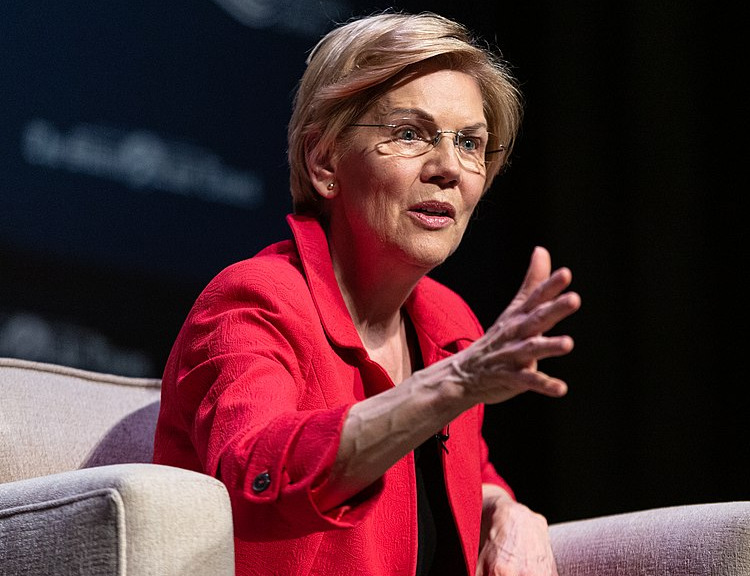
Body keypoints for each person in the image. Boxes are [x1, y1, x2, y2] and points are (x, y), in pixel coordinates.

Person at [153, 11, 580, 576]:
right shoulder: (254, 300)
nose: (449, 167)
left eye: (470, 143)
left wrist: (507, 510)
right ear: (325, 161)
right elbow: (251, 476)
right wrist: (454, 383)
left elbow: (465, 472)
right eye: (409, 133)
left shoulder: (446, 321)